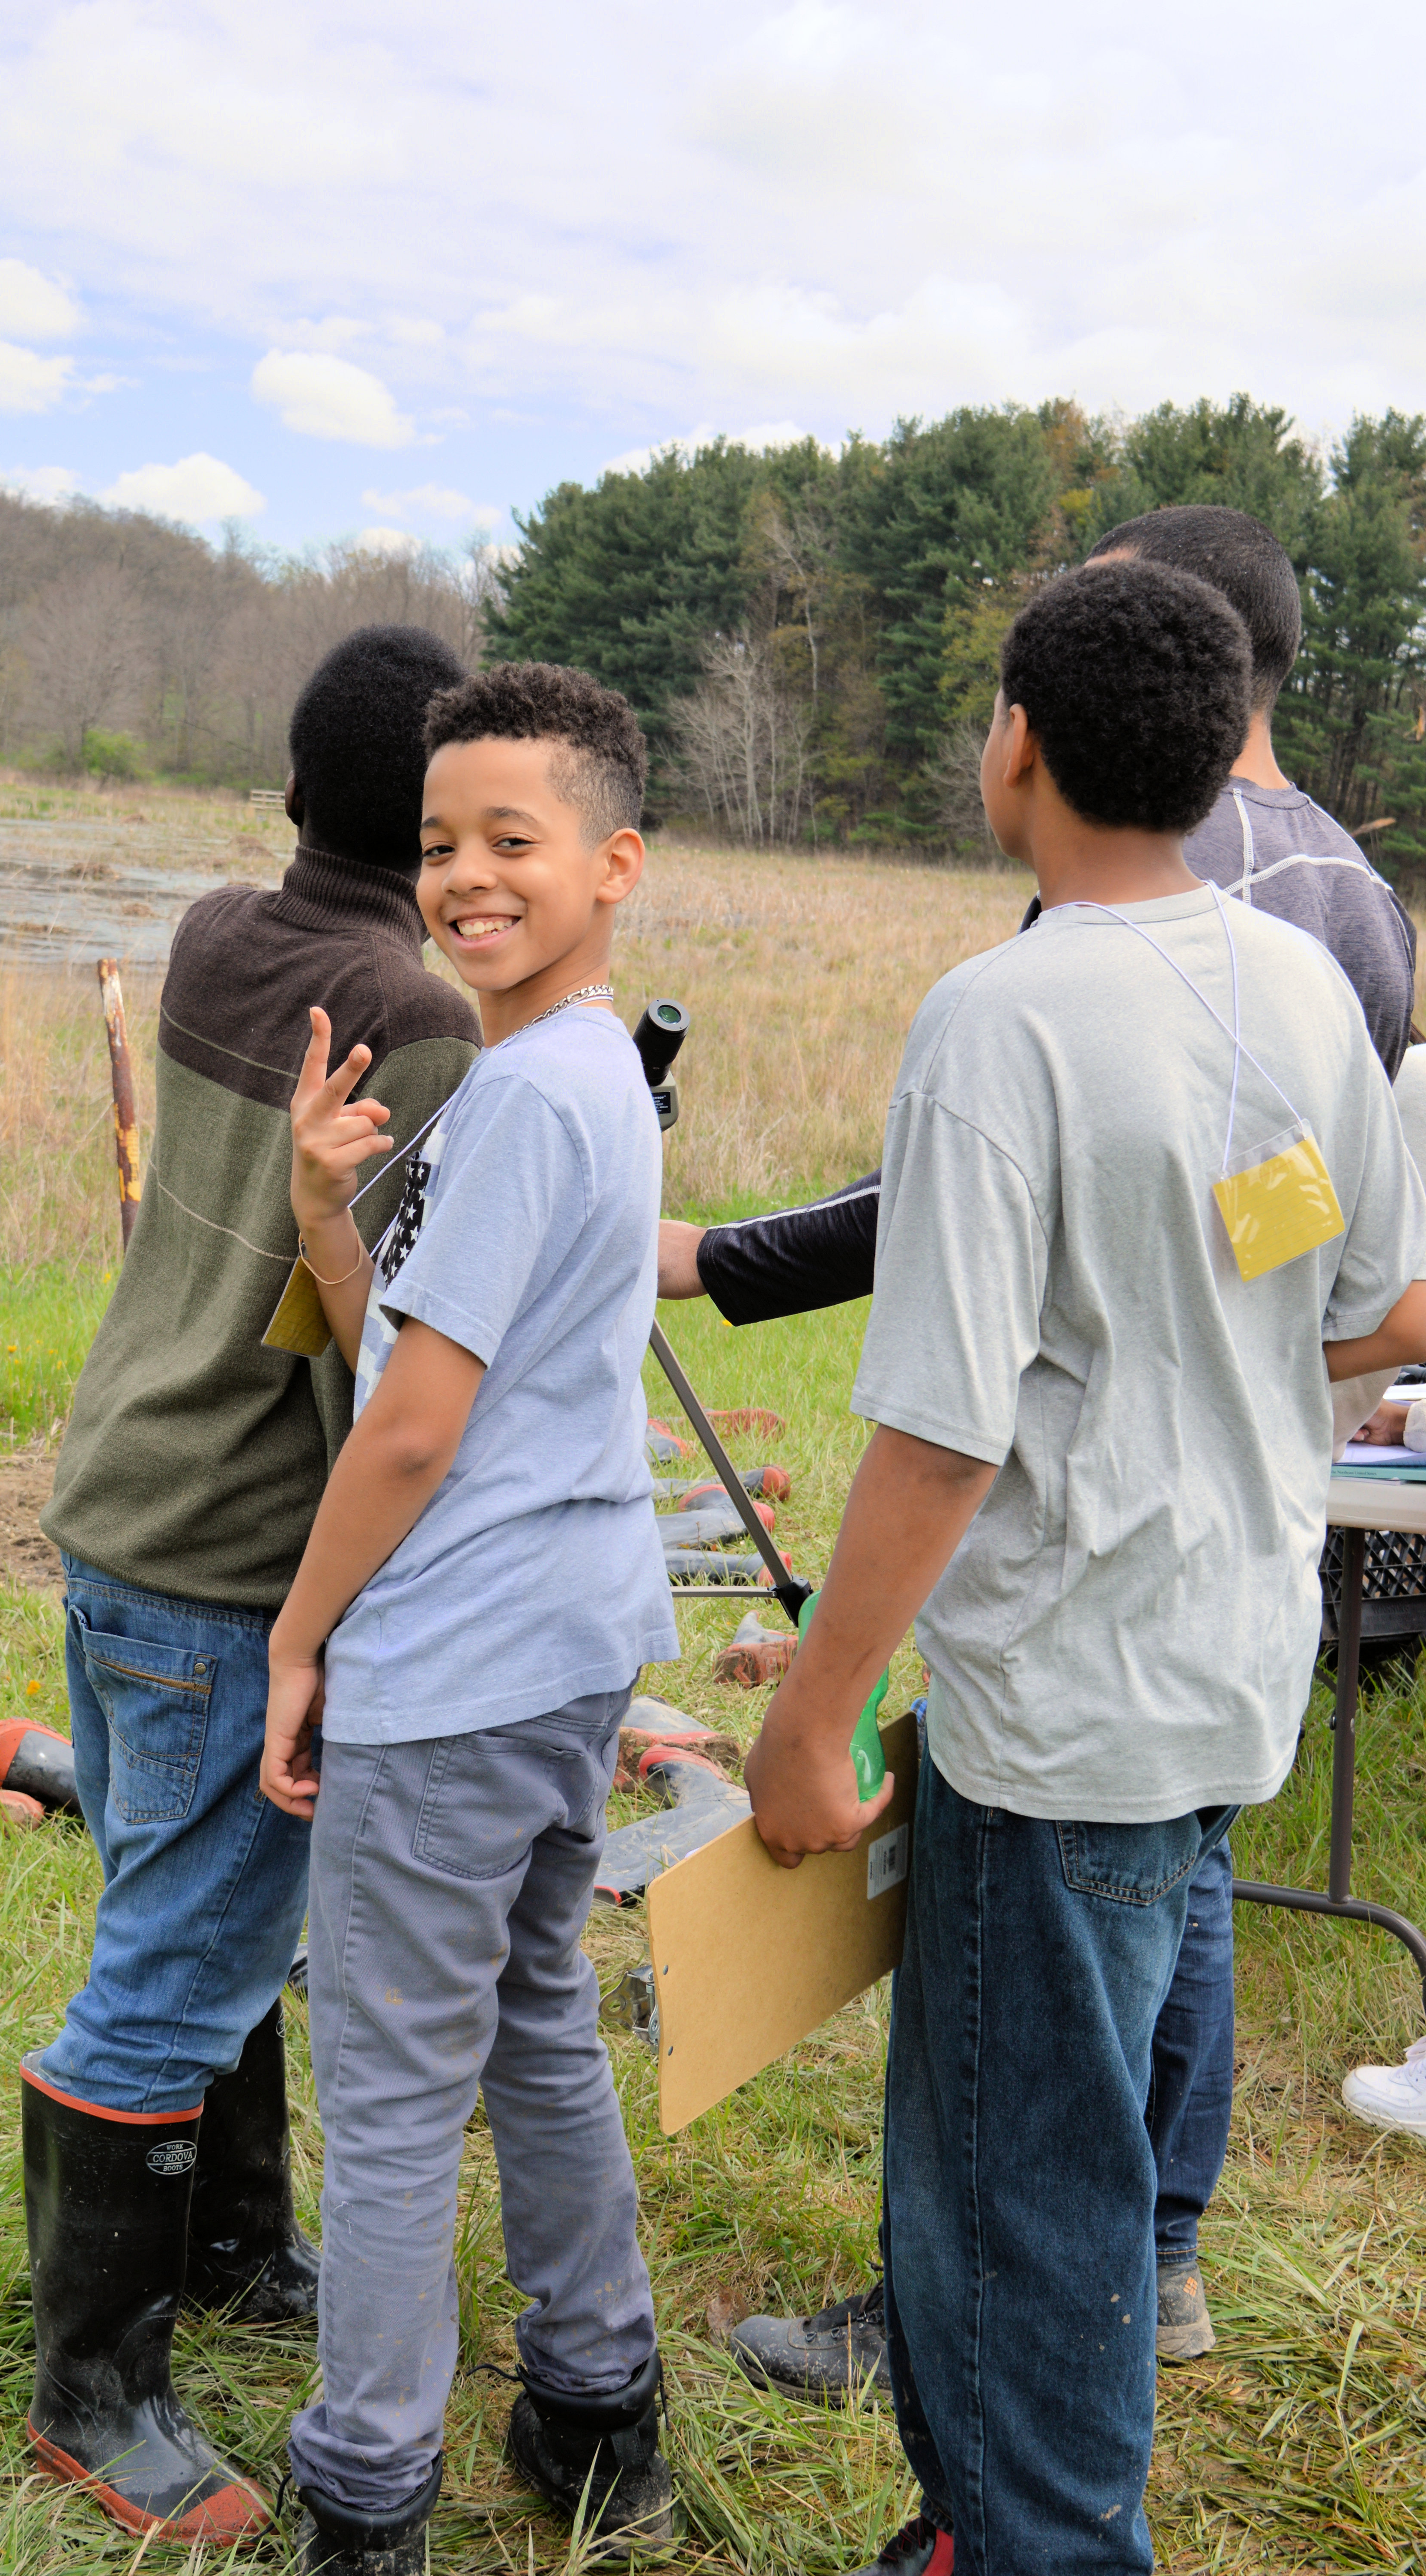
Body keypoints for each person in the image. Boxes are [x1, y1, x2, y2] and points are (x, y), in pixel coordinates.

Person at [660, 503, 1420, 2392]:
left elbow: (949, 1417)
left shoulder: (1018, 1004)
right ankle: (1136, 2285)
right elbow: (1359, 1294)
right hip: (1229, 1646)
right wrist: (1214, 1374)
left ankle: (1032, 2430)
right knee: (1159, 1950)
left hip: (1069, 1684)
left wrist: (816, 1707)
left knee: (1018, 2161)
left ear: (1022, 737)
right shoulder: (1329, 941)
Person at [21, 626, 482, 2544]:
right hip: (232, 1554)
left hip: (121, 1497)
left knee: (198, 1899)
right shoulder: (419, 1018)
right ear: (442, 831)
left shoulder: (215, 933)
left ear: (291, 794)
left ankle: (229, 2244)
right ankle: (92, 2392)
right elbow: (397, 1352)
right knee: (181, 1958)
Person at [260, 660, 679, 2576]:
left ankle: (367, 2490)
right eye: (440, 845)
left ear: (614, 863)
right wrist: (325, 1216)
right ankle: (598, 2406)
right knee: (535, 2018)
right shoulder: (588, 1074)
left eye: (514, 839)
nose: (466, 879)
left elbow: (413, 1429)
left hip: (454, 1674)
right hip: (571, 1645)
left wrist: (301, 1636)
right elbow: (420, 1348)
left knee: (392, 2089)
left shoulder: (523, 1097)